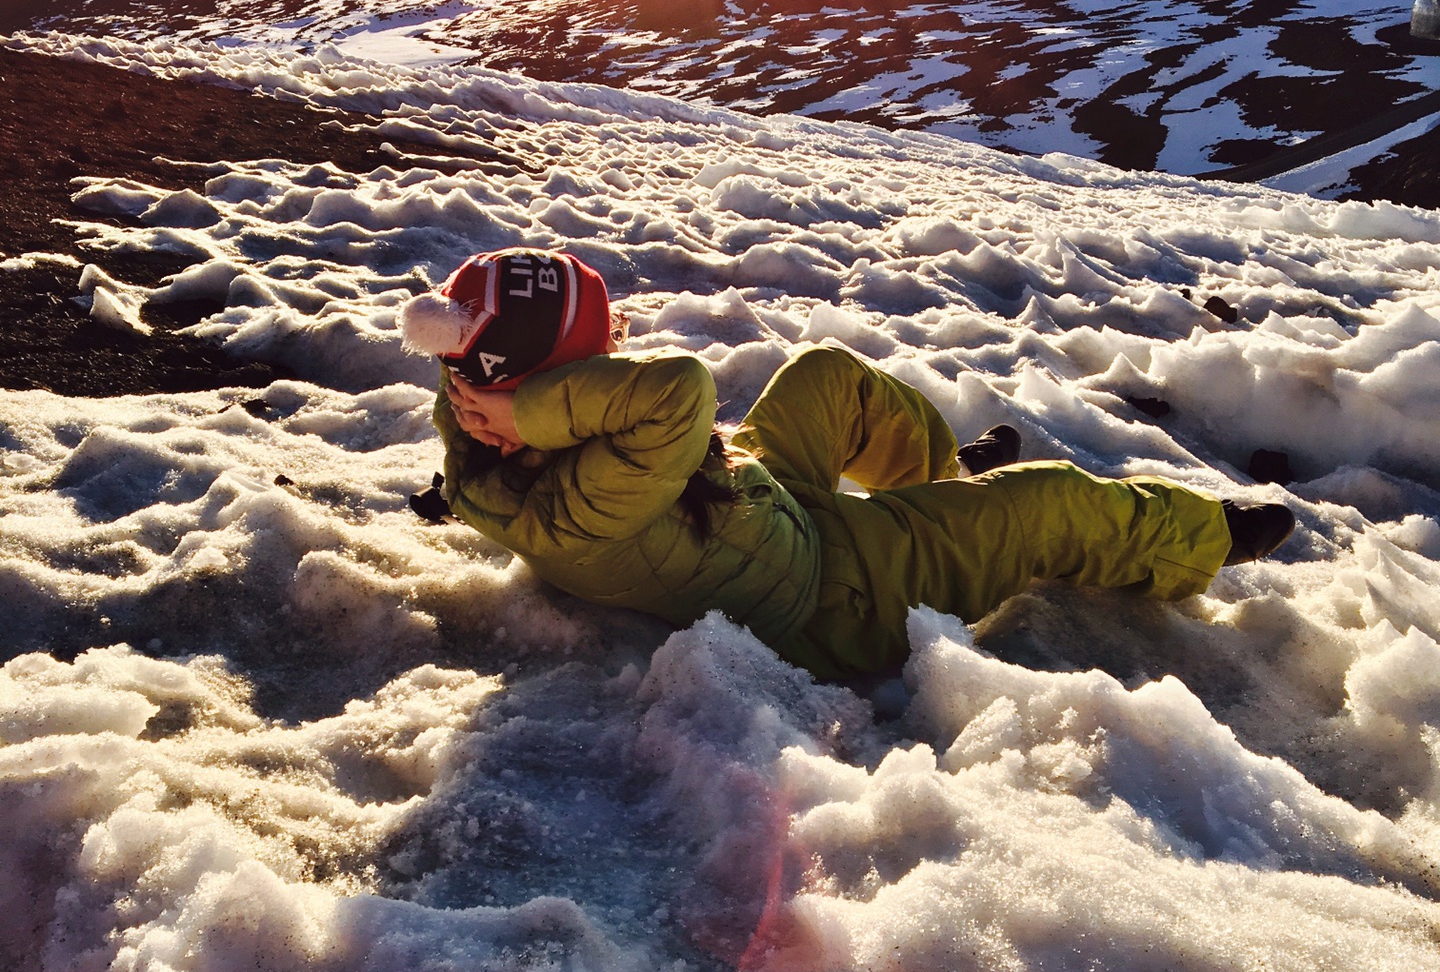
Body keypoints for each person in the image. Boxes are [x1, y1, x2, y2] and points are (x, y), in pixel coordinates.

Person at [403, 248, 1294, 683]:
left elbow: (474, 378)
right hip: (845, 589)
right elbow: (677, 394)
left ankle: (942, 489)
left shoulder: (493, 436)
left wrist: (500, 386)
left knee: (826, 376)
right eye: (592, 368)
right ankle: (1203, 539)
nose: (614, 373)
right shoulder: (578, 508)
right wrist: (525, 403)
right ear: (550, 396)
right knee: (1044, 505)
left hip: (749, 504)